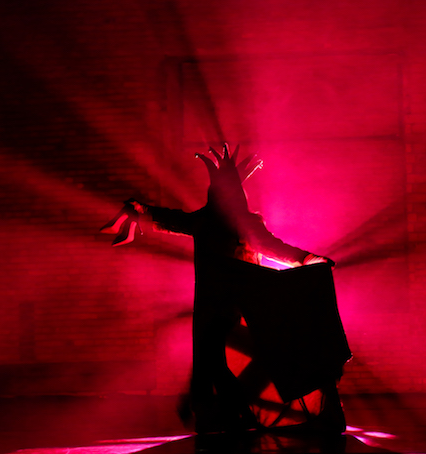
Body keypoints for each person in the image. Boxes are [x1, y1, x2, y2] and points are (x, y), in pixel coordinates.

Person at [102, 144, 348, 433]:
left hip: (229, 304)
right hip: (228, 303)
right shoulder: (224, 221)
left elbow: (174, 220)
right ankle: (227, 414)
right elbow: (268, 245)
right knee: (213, 362)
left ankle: (230, 414)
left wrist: (305, 258)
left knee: (216, 362)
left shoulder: (212, 221)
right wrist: (305, 259)